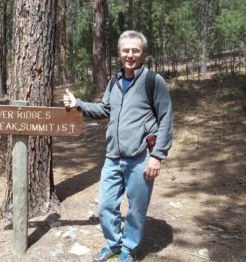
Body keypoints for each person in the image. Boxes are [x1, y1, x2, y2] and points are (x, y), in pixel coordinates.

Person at [63, 30, 173, 262]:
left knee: (135, 209)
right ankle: (114, 245)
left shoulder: (154, 81)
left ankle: (129, 250)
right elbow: (105, 110)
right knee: (105, 206)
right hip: (113, 156)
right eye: (126, 50)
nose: (130, 54)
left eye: (135, 50)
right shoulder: (114, 81)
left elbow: (165, 119)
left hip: (140, 157)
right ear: (119, 53)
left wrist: (157, 156)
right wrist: (78, 104)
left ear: (143, 53)